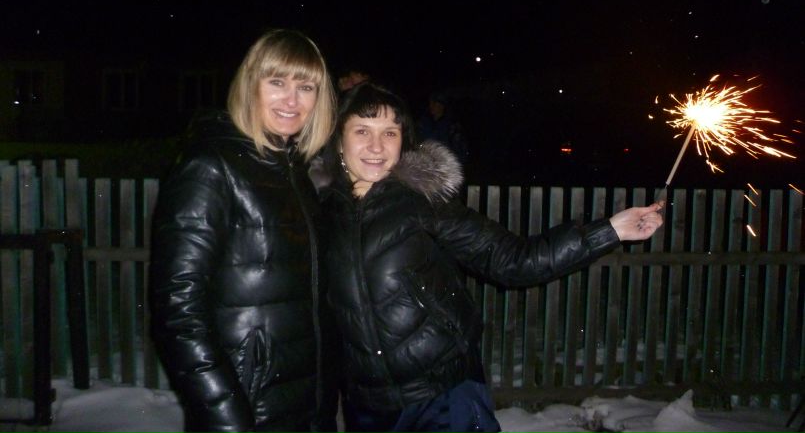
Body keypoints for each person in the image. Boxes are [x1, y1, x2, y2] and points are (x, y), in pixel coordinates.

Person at [319, 82, 663, 433]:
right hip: (367, 406)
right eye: (362, 131)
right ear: (339, 140)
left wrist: (610, 230)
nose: (377, 146)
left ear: (403, 141)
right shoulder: (319, 212)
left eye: (390, 132)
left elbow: (513, 260)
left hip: (443, 395)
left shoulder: (423, 202)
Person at [149, 29, 338, 433]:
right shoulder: (211, 167)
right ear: (250, 84)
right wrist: (226, 416)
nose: (292, 100)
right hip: (246, 410)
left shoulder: (295, 172)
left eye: (306, 87)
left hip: (304, 408)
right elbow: (178, 312)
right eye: (277, 82)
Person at [418, 91, 469, 165]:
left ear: (442, 105)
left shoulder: (452, 126)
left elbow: (461, 153)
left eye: (434, 103)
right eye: (430, 103)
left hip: (444, 167)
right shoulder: (423, 122)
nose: (431, 106)